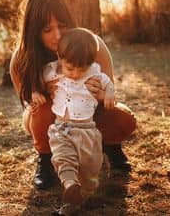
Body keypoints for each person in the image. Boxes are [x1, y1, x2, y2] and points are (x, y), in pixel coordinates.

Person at [9, 0, 136, 190]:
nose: (58, 35)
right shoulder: (21, 59)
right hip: (49, 119)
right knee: (40, 109)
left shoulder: (92, 45)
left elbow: (109, 89)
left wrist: (103, 95)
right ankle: (45, 159)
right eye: (47, 29)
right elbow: (27, 106)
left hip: (89, 112)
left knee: (123, 118)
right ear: (34, 30)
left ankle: (110, 146)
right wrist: (42, 93)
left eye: (62, 25)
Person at [33, 28, 115, 213]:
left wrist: (108, 93)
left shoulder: (94, 73)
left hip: (87, 129)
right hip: (61, 128)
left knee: (89, 167)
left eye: (82, 69)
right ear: (60, 58)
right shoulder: (51, 70)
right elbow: (36, 80)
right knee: (63, 157)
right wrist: (35, 91)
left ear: (90, 63)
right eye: (70, 68)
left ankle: (81, 193)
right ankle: (69, 184)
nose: (76, 73)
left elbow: (108, 83)